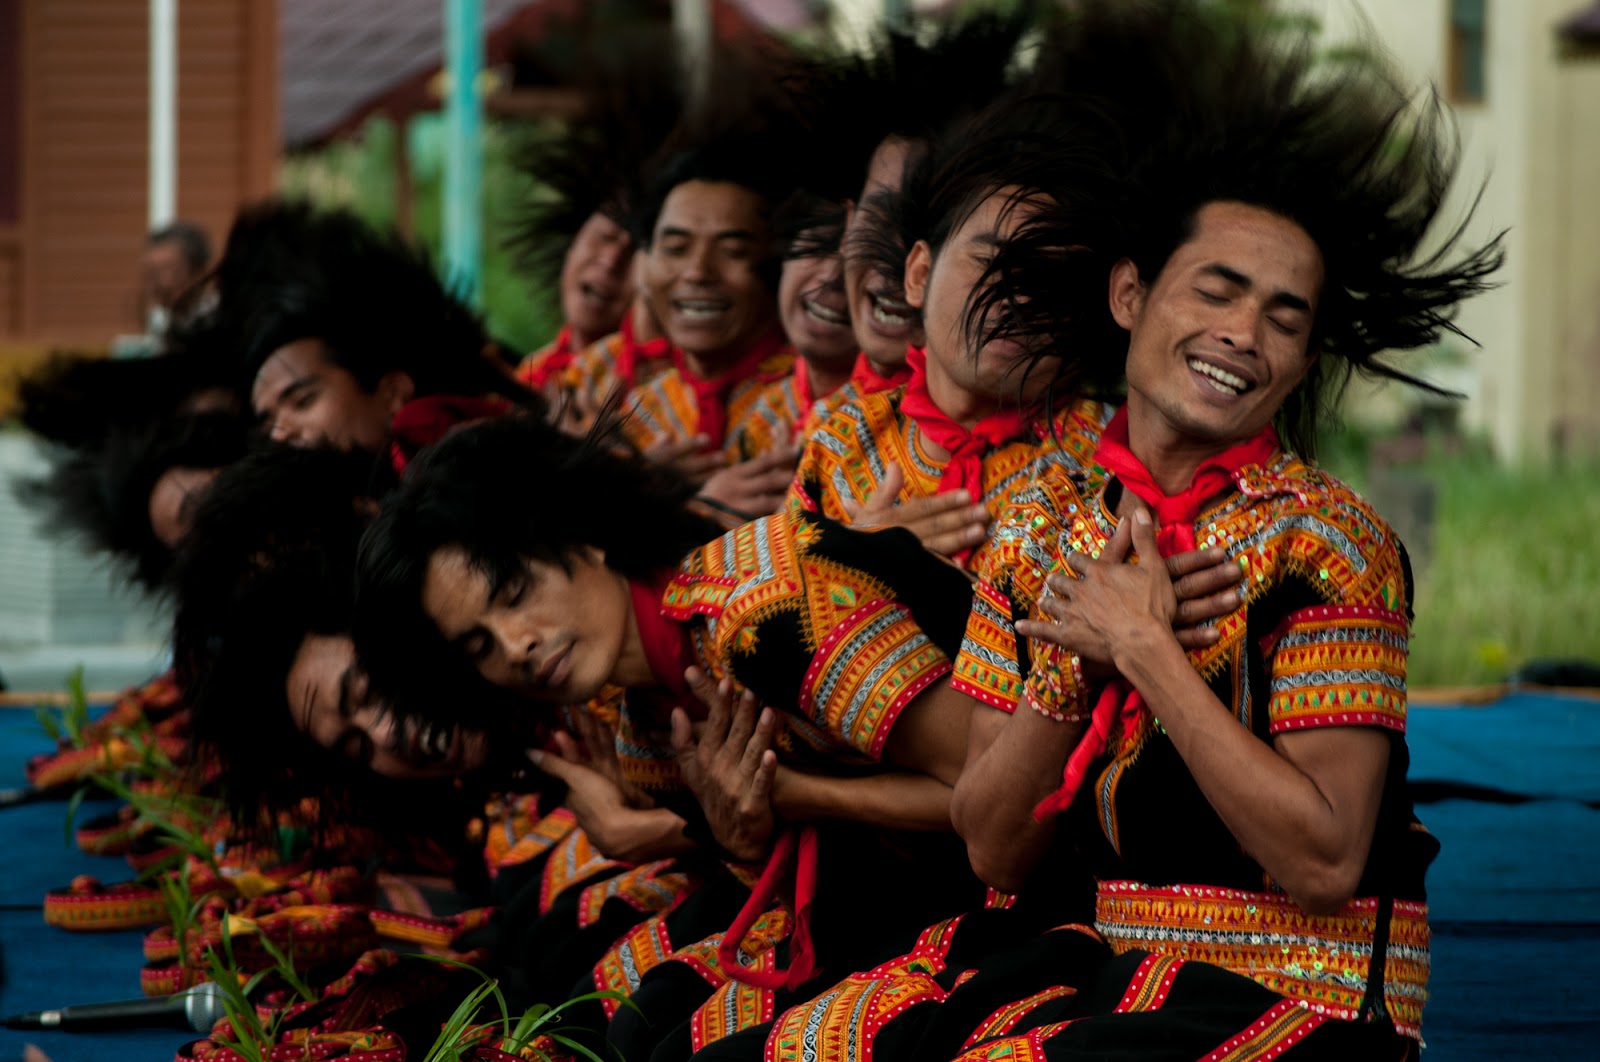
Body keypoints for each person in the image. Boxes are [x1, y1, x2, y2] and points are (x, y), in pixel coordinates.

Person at [743, 5, 1501, 1059]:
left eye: (1284, 318)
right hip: (1110, 971)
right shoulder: (1044, 519)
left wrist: (1147, 650)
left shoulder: (1330, 543)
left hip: (1300, 1002)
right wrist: (1075, 656)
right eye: (1217, 291)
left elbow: (1326, 863)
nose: (1243, 334)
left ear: (1300, 361)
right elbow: (993, 848)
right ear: (1130, 294)